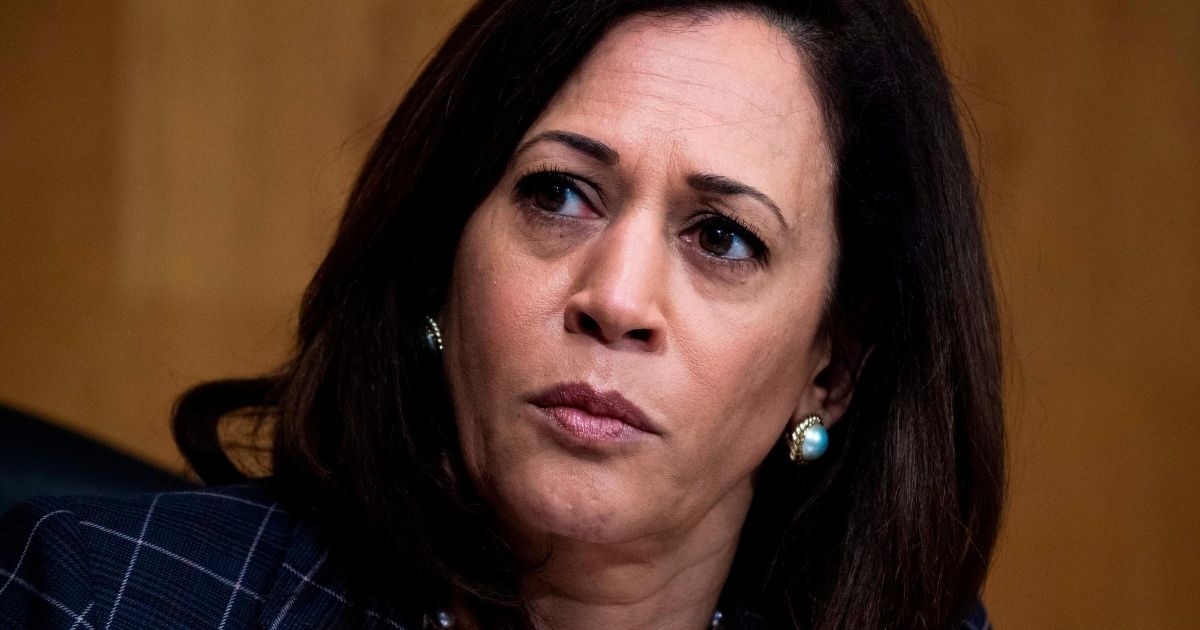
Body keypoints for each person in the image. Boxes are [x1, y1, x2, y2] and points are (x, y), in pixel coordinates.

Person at [0, 0, 1004, 628]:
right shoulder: (104, 599)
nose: (614, 300)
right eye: (560, 194)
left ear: (832, 368)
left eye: (722, 239)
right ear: (443, 256)